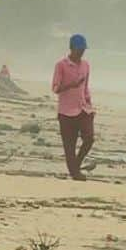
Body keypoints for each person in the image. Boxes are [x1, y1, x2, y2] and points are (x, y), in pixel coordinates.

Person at [52, 34, 95, 181]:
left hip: (83, 109)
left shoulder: (86, 65)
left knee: (89, 138)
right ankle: (75, 173)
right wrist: (72, 84)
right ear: (71, 49)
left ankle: (76, 165)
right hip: (66, 112)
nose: (81, 53)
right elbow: (55, 88)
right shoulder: (61, 65)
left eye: (83, 50)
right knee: (69, 146)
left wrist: (89, 105)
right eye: (79, 50)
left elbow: (85, 87)